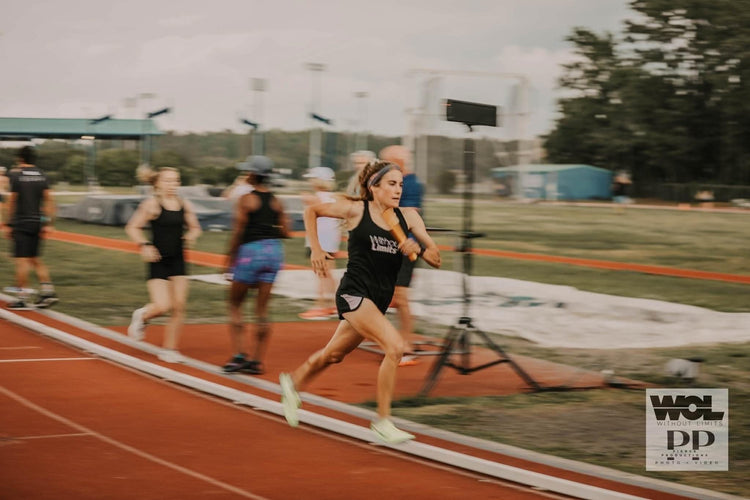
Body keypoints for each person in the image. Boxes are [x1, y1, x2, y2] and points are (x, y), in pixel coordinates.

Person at [279, 160, 441, 444]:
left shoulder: (409, 217)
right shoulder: (356, 209)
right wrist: (316, 249)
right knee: (395, 347)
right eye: (391, 184)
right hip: (354, 293)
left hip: (378, 299)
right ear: (373, 186)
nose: (398, 189)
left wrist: (418, 247)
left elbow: (436, 258)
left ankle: (292, 383)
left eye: (401, 184)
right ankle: (383, 421)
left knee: (334, 355)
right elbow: (311, 210)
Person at [125, 167, 202, 363]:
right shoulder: (152, 205)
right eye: (168, 181)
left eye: (176, 181)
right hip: (157, 259)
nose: (172, 185)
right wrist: (144, 245)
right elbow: (133, 227)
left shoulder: (184, 204)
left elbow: (195, 227)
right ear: (158, 183)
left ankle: (169, 349)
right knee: (162, 306)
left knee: (179, 307)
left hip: (178, 259)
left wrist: (191, 235)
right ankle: (142, 316)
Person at [222, 155, 291, 375]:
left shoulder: (246, 200)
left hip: (250, 252)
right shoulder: (277, 201)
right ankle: (257, 361)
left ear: (252, 175)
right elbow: (286, 231)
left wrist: (228, 260)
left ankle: (239, 356)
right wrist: (269, 230)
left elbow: (238, 231)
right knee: (262, 310)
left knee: (235, 304)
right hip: (273, 252)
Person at [379, 145, 424, 366]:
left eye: (385, 162)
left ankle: (406, 347)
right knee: (387, 297)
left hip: (405, 247)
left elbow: (409, 216)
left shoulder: (411, 184)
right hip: (387, 247)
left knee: (401, 298)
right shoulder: (389, 183)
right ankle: (394, 342)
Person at [2, 146, 58, 310]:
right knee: (34, 259)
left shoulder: (16, 176)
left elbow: (12, 201)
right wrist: (48, 223)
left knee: (21, 262)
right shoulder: (42, 175)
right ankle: (48, 292)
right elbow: (48, 201)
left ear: (20, 158)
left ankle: (22, 298)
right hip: (36, 222)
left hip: (21, 222)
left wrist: (8, 223)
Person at [298, 166, 341, 320]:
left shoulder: (316, 198)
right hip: (330, 240)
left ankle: (320, 305)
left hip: (320, 240)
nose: (310, 181)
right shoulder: (334, 197)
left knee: (322, 273)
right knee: (328, 273)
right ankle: (335, 303)